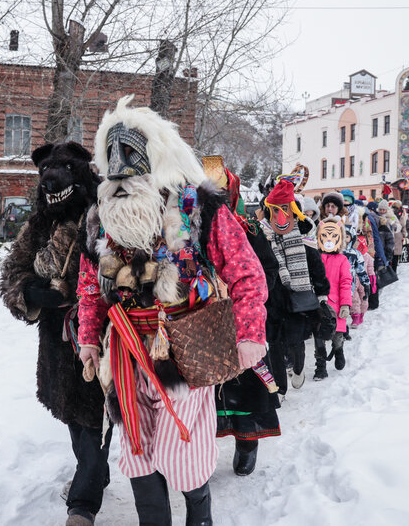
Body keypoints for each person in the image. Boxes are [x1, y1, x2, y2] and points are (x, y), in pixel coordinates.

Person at [76, 96, 269, 525]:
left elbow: (247, 273)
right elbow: (90, 286)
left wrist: (252, 334)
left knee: (185, 453)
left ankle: (200, 519)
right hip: (125, 353)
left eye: (132, 157)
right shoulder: (98, 217)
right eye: (114, 158)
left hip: (185, 347)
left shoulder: (197, 207)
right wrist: (89, 338)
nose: (122, 171)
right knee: (138, 449)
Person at [0, 142, 111, 526]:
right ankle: (94, 474)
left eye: (63, 167)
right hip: (55, 337)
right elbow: (13, 272)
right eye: (48, 168)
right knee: (73, 416)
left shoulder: (105, 215)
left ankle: (83, 504)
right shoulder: (39, 223)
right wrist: (30, 293)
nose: (53, 175)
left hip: (101, 334)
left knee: (96, 415)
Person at [203, 159, 281, 477]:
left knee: (247, 390)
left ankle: (247, 443)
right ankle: (198, 455)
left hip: (242, 321)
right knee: (206, 395)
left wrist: (245, 301)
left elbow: (267, 272)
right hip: (206, 323)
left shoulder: (249, 230)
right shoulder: (192, 227)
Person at [260, 180, 330, 397]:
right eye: (275, 210)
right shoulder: (262, 236)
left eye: (285, 209)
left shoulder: (303, 236)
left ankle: (298, 368)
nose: (281, 215)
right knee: (274, 343)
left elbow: (317, 268)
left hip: (297, 299)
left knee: (294, 341)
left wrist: (322, 295)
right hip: (272, 300)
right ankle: (280, 388)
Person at [314, 216, 353, 380]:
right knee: (318, 336)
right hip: (318, 305)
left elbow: (346, 282)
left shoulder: (342, 260)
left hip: (336, 306)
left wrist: (345, 304)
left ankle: (338, 350)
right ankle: (321, 366)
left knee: (337, 335)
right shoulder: (315, 257)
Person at [343, 224, 370, 327]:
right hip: (334, 284)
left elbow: (361, 271)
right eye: (341, 236)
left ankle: (344, 329)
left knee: (347, 305)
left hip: (349, 285)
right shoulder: (334, 252)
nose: (344, 239)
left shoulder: (355, 254)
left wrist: (366, 283)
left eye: (347, 236)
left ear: (352, 238)